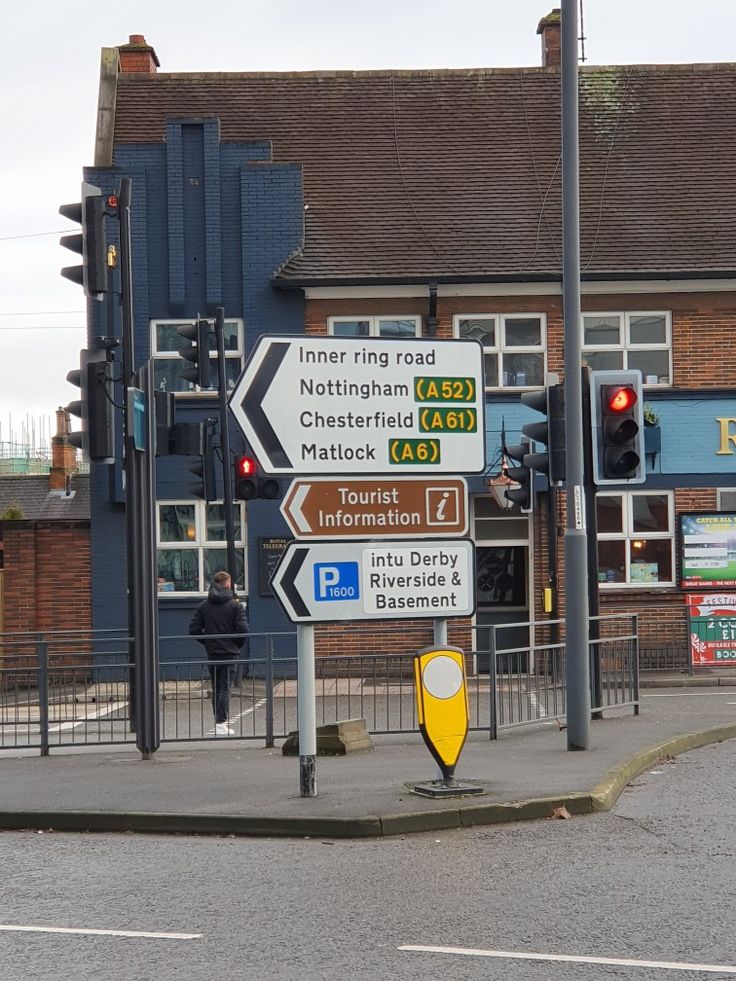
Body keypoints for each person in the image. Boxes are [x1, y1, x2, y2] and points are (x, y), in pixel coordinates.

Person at [188, 571, 249, 736]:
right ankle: (221, 723)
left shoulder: (203, 606)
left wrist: (208, 642)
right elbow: (243, 629)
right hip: (230, 653)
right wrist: (236, 645)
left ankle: (218, 721)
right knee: (225, 688)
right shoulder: (236, 606)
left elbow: (193, 629)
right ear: (228, 585)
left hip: (213, 653)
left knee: (216, 688)